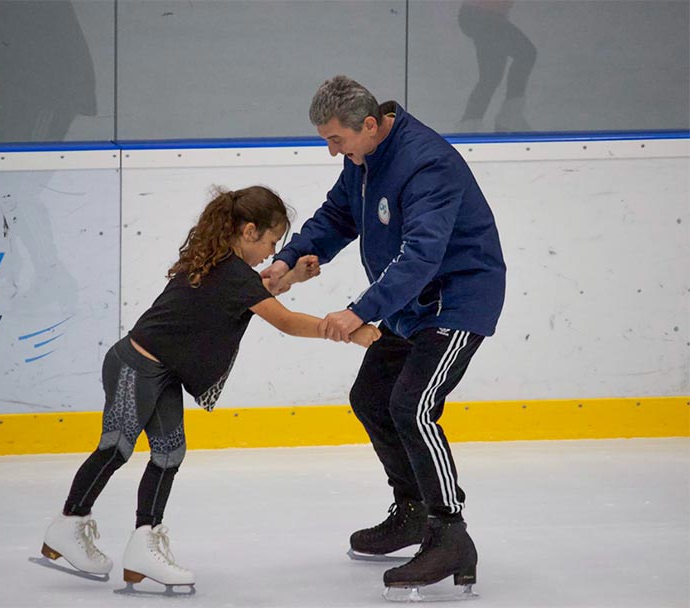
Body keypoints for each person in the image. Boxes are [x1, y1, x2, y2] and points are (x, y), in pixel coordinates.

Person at [37, 186, 380, 591]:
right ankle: (68, 524)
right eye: (271, 242)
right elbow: (283, 320)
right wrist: (345, 331)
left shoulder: (220, 264)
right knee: (116, 448)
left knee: (168, 454)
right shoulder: (233, 273)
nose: (272, 253)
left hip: (162, 372)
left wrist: (294, 276)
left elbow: (249, 294)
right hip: (134, 366)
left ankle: (144, 545)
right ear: (249, 231)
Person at [263, 77, 506, 593]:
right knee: (371, 396)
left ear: (370, 125)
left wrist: (359, 311)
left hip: (456, 301)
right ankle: (413, 510)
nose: (333, 151)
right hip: (410, 306)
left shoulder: (426, 163)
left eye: (337, 140)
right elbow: (336, 216)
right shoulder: (364, 160)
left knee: (412, 406)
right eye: (326, 140)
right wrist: (289, 259)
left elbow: (422, 255)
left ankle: (450, 533)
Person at [456, 0, 537, 132]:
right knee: (526, 54)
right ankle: (508, 117)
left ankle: (471, 123)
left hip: (483, 15)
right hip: (484, 15)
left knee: (491, 77)